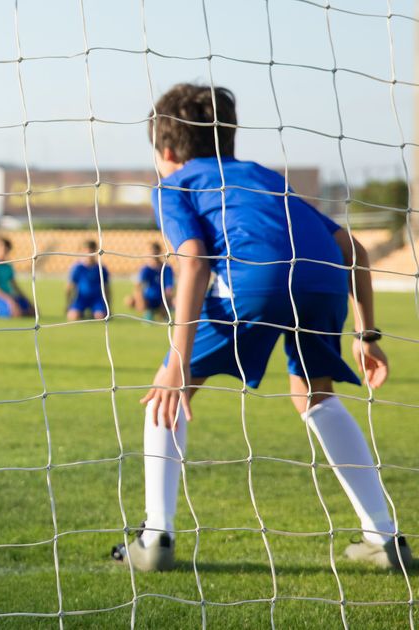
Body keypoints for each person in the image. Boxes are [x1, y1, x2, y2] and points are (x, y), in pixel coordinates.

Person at [112, 83, 405, 572]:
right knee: (315, 395)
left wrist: (176, 363)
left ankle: (156, 534)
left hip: (258, 279)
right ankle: (385, 536)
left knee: (169, 390)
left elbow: (192, 258)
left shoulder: (173, 185)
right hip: (322, 277)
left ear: (165, 151)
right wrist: (367, 335)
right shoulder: (264, 178)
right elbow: (355, 249)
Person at [0, 235, 34, 318]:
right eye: (1, 248)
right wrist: (9, 301)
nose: (4, 250)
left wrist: (27, 299)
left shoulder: (8, 266)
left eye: (6, 248)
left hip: (10, 296)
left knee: (33, 312)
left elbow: (14, 285)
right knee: (16, 313)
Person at [125, 241, 175, 321]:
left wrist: (166, 300)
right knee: (129, 300)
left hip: (162, 298)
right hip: (149, 298)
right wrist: (140, 299)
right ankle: (147, 312)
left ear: (159, 252)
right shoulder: (145, 269)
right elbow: (138, 286)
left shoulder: (166, 268)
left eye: (154, 251)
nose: (152, 254)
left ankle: (165, 313)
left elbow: (169, 288)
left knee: (176, 301)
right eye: (150, 252)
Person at [65, 239, 111, 321]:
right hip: (81, 299)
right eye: (87, 252)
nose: (89, 255)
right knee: (73, 316)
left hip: (96, 299)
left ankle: (93, 313)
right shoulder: (77, 268)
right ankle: (81, 313)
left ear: (95, 252)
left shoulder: (101, 268)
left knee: (101, 317)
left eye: (91, 252)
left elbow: (107, 288)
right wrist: (68, 304)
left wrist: (109, 306)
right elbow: (69, 287)